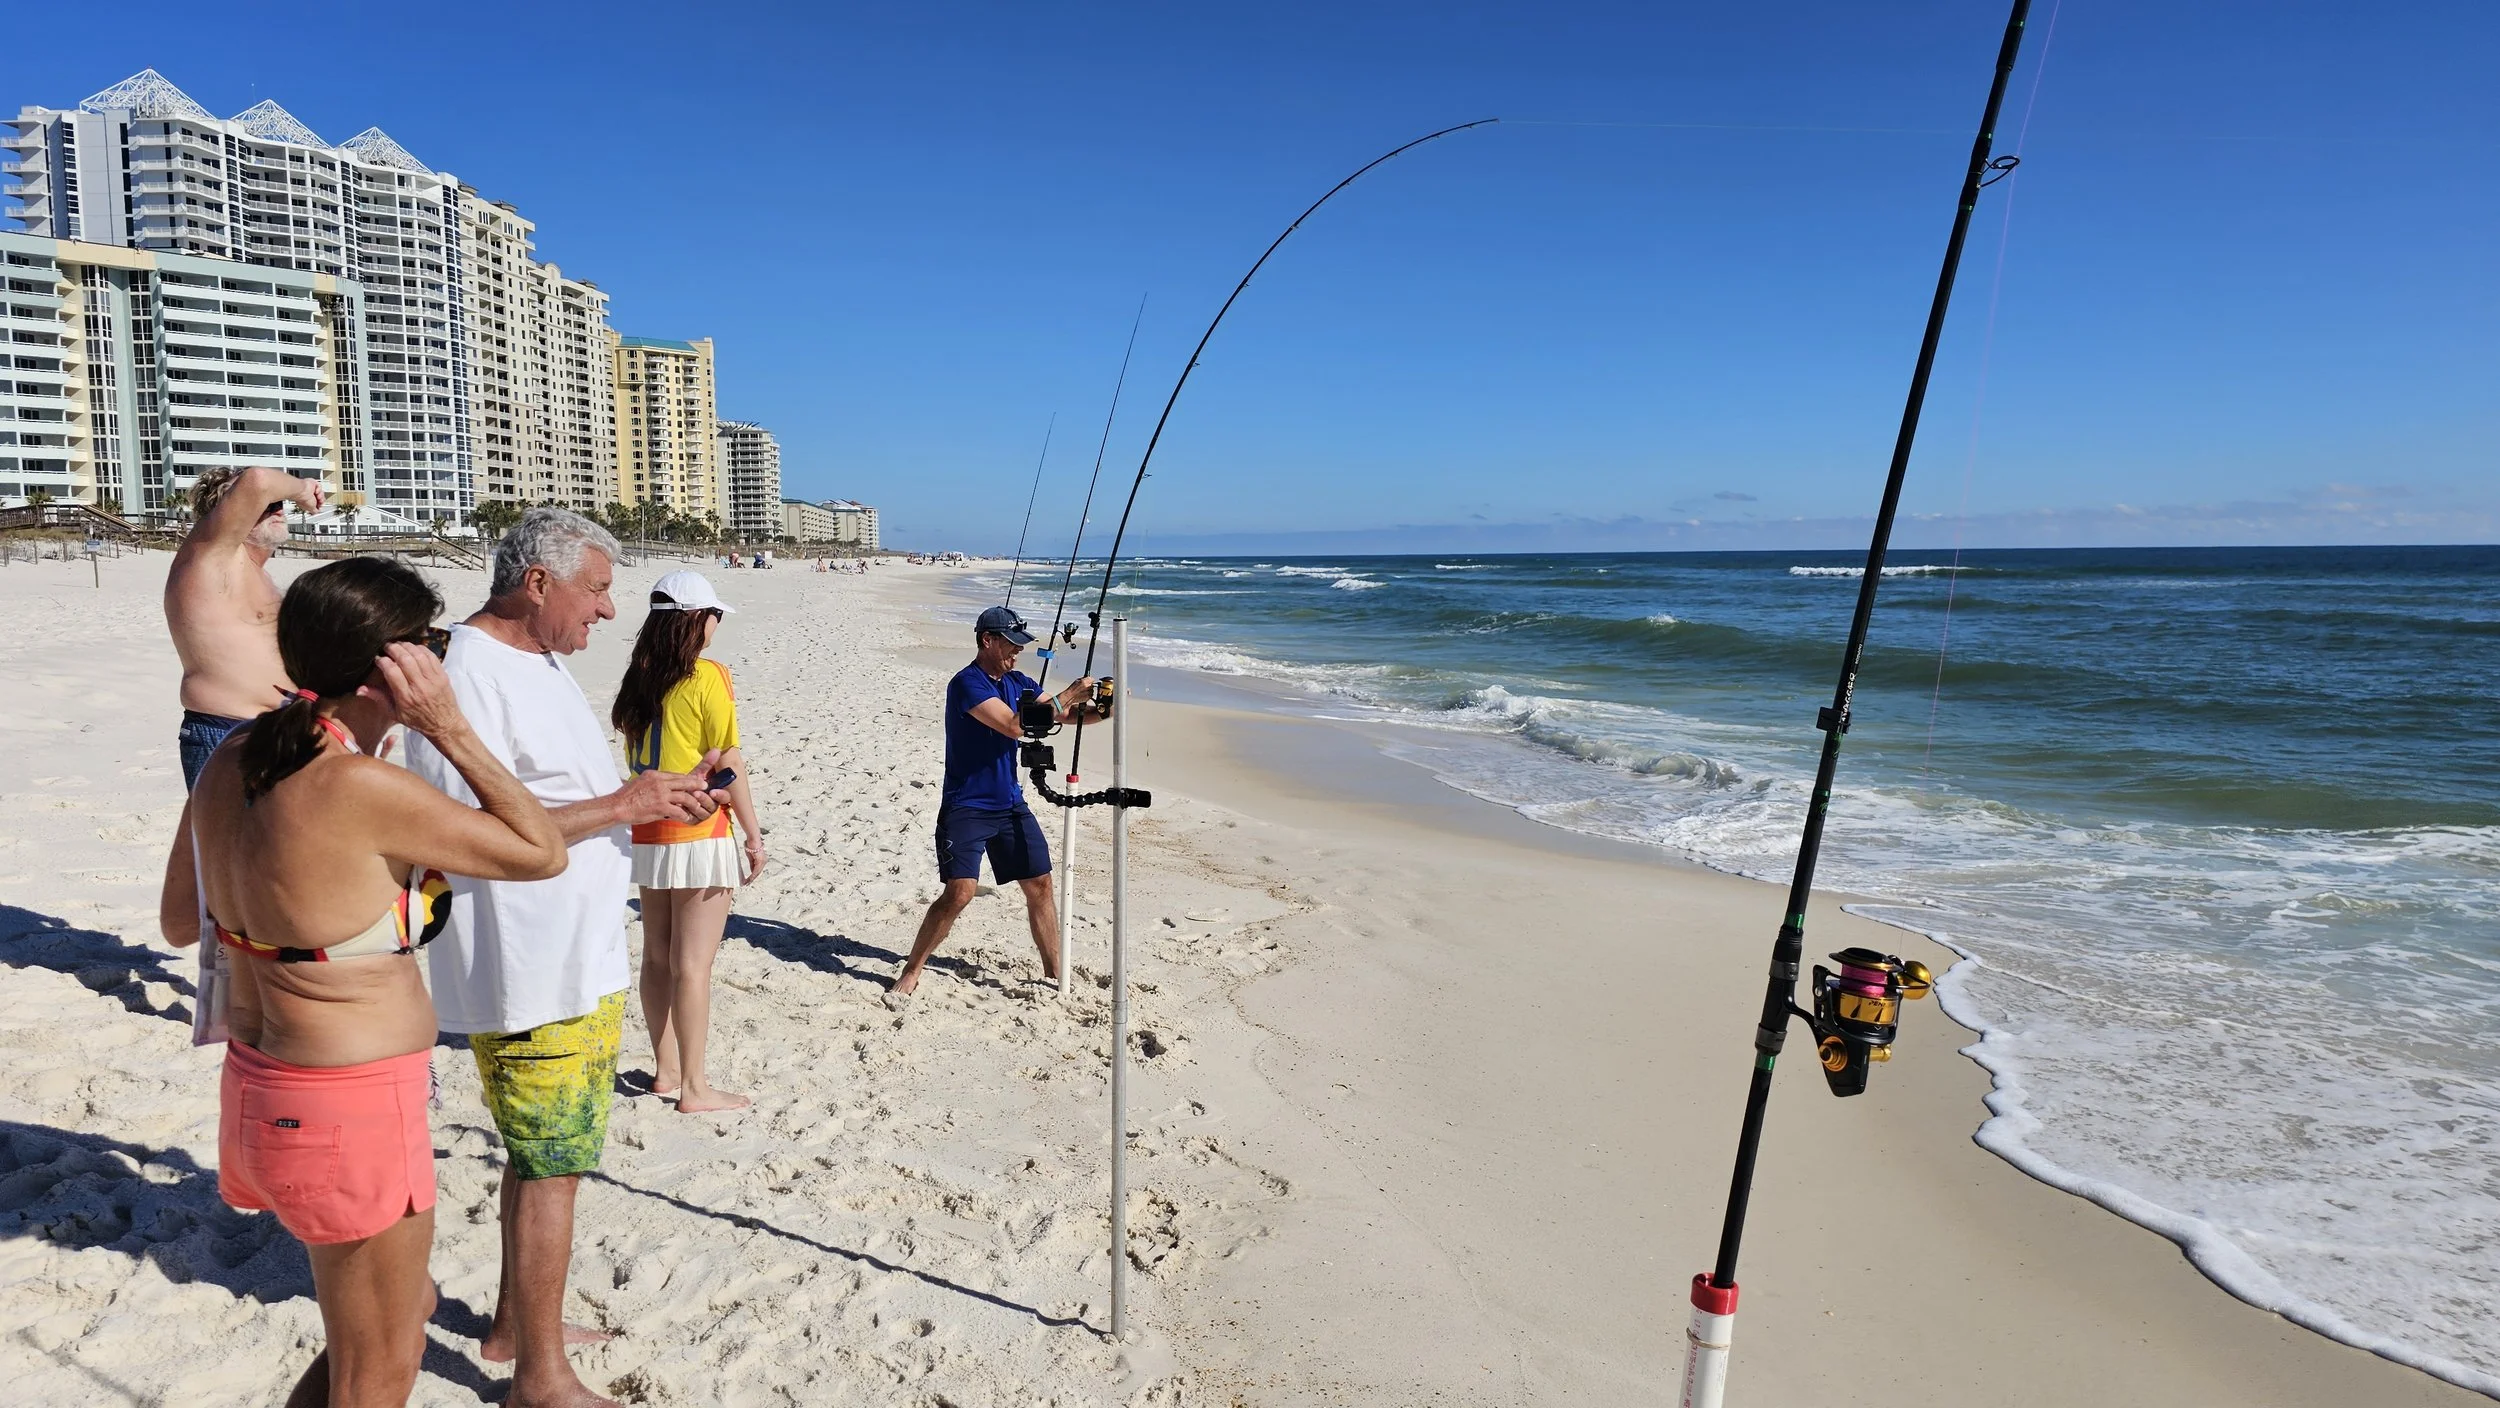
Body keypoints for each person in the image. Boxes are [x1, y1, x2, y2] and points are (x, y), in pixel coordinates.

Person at [158, 557, 568, 1408]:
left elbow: (176, 921)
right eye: (433, 645)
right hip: (350, 1105)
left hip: (262, 1088)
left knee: (372, 1336)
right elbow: (539, 850)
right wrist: (448, 728)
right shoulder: (358, 785)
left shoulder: (235, 753)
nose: (442, 661)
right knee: (382, 1367)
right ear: (393, 665)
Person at [403, 508, 724, 1408]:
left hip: (572, 956)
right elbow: (460, 833)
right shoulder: (464, 671)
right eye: (597, 589)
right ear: (537, 583)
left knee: (541, 1155)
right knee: (552, 1167)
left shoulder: (535, 659)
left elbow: (554, 795)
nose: (611, 611)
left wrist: (643, 797)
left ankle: (516, 1326)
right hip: (527, 964)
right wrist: (622, 804)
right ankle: (541, 1378)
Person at [890, 605, 1109, 998]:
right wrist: (1068, 693)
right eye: (1011, 644)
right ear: (987, 641)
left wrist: (1104, 709)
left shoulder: (1018, 681)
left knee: (1040, 884)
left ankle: (1053, 973)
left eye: (1020, 645)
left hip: (1010, 803)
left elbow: (1061, 716)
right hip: (967, 804)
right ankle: (913, 968)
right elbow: (1013, 725)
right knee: (960, 892)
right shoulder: (966, 684)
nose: (1017, 652)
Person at [610, 571, 765, 1114]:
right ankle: (695, 1088)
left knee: (657, 956)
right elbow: (729, 760)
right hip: (698, 830)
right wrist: (752, 833)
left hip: (648, 830)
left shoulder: (639, 676)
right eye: (713, 614)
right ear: (696, 619)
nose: (717, 624)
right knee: (693, 965)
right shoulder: (708, 675)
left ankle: (666, 1070)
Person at [165, 465, 324, 789]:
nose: (277, 505)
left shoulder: (259, 576)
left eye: (280, 503)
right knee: (229, 841)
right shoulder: (208, 559)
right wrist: (302, 488)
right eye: (267, 502)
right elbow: (260, 481)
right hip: (226, 733)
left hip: (281, 732)